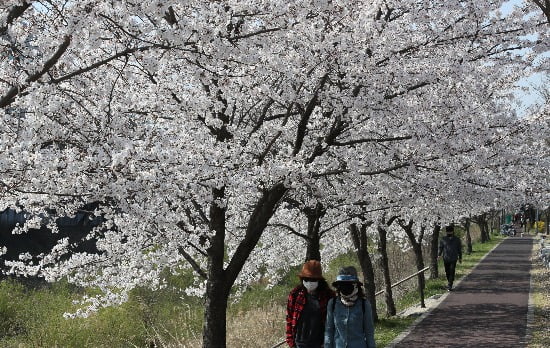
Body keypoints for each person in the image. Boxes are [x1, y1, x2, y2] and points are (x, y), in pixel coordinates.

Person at [286, 260, 335, 348]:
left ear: (319, 280)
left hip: (320, 344)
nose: (309, 282)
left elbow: (333, 321)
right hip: (299, 343)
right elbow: (289, 318)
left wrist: (327, 342)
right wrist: (290, 341)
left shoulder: (328, 296)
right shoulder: (295, 294)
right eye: (306, 279)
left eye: (313, 280)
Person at [324, 266, 376, 348]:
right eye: (342, 284)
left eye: (348, 284)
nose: (345, 287)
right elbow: (329, 330)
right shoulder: (332, 304)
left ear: (356, 285)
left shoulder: (364, 304)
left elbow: (369, 332)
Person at [438, 224, 462, 291]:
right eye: (448, 232)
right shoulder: (443, 239)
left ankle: (450, 284)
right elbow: (440, 248)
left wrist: (460, 257)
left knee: (452, 270)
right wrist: (439, 255)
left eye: (450, 232)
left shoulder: (457, 240)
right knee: (447, 271)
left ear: (452, 232)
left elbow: (459, 249)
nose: (449, 233)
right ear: (446, 232)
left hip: (454, 258)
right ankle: (449, 281)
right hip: (446, 258)